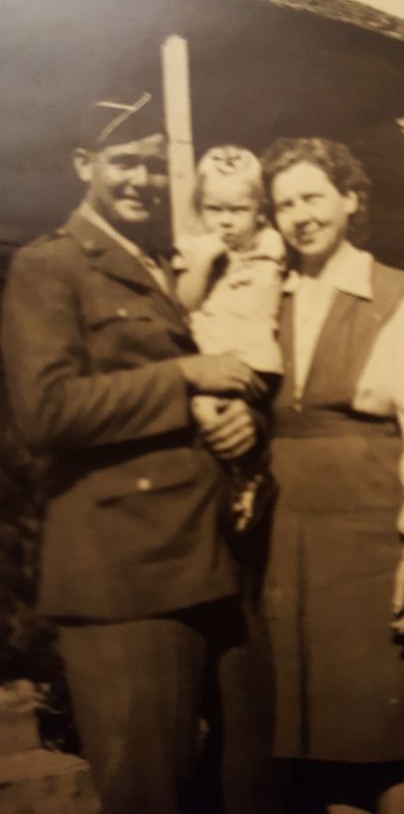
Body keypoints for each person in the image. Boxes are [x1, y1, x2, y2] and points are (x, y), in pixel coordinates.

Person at [1, 92, 279, 814]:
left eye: (154, 166)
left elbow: (206, 382)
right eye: (124, 161)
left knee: (248, 787)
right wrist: (185, 378)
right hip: (126, 579)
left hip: (213, 560)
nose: (142, 181)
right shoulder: (50, 266)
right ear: (82, 164)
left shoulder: (160, 265)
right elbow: (47, 409)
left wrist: (242, 423)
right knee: (151, 796)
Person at [250, 137, 404, 814]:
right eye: (285, 204)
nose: (300, 215)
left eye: (313, 196)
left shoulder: (398, 296)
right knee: (327, 736)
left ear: (350, 199)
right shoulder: (269, 298)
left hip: (376, 537)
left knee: (392, 731)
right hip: (293, 542)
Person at [175, 144, 286, 531]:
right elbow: (185, 301)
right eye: (214, 209)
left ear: (259, 211)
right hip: (212, 358)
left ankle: (250, 480)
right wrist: (205, 261)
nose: (226, 221)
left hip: (257, 359)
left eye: (239, 210)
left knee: (243, 423)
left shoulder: (271, 243)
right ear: (199, 208)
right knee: (207, 412)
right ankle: (241, 485)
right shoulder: (193, 248)